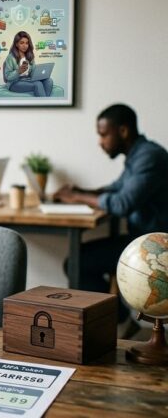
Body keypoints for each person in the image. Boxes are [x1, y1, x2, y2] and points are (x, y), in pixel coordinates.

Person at [54, 103, 168, 336]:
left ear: (123, 131)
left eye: (104, 134)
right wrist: (82, 190)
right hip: (143, 240)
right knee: (81, 260)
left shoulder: (149, 157)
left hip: (157, 247)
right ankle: (121, 322)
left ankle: (114, 325)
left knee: (78, 262)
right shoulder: (138, 155)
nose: (100, 141)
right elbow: (116, 189)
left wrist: (77, 197)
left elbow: (122, 203)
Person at [3, 31, 53, 97]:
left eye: (27, 43)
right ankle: (44, 104)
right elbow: (8, 77)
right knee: (37, 84)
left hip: (28, 80)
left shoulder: (29, 56)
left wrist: (39, 74)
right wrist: (18, 71)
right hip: (14, 83)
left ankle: (45, 102)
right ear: (16, 44)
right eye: (22, 43)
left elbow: (33, 73)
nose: (25, 46)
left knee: (49, 81)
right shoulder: (11, 57)